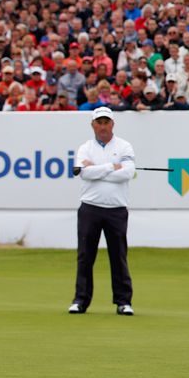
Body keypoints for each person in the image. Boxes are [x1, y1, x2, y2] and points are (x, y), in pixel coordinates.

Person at [69, 107, 136, 316]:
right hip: (90, 208)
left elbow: (127, 173)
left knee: (118, 256)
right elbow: (84, 174)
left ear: (112, 124)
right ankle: (81, 300)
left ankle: (123, 301)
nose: (103, 126)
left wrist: (96, 168)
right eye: (99, 122)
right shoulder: (85, 148)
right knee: (85, 256)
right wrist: (110, 167)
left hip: (116, 209)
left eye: (106, 122)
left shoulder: (124, 146)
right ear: (93, 125)